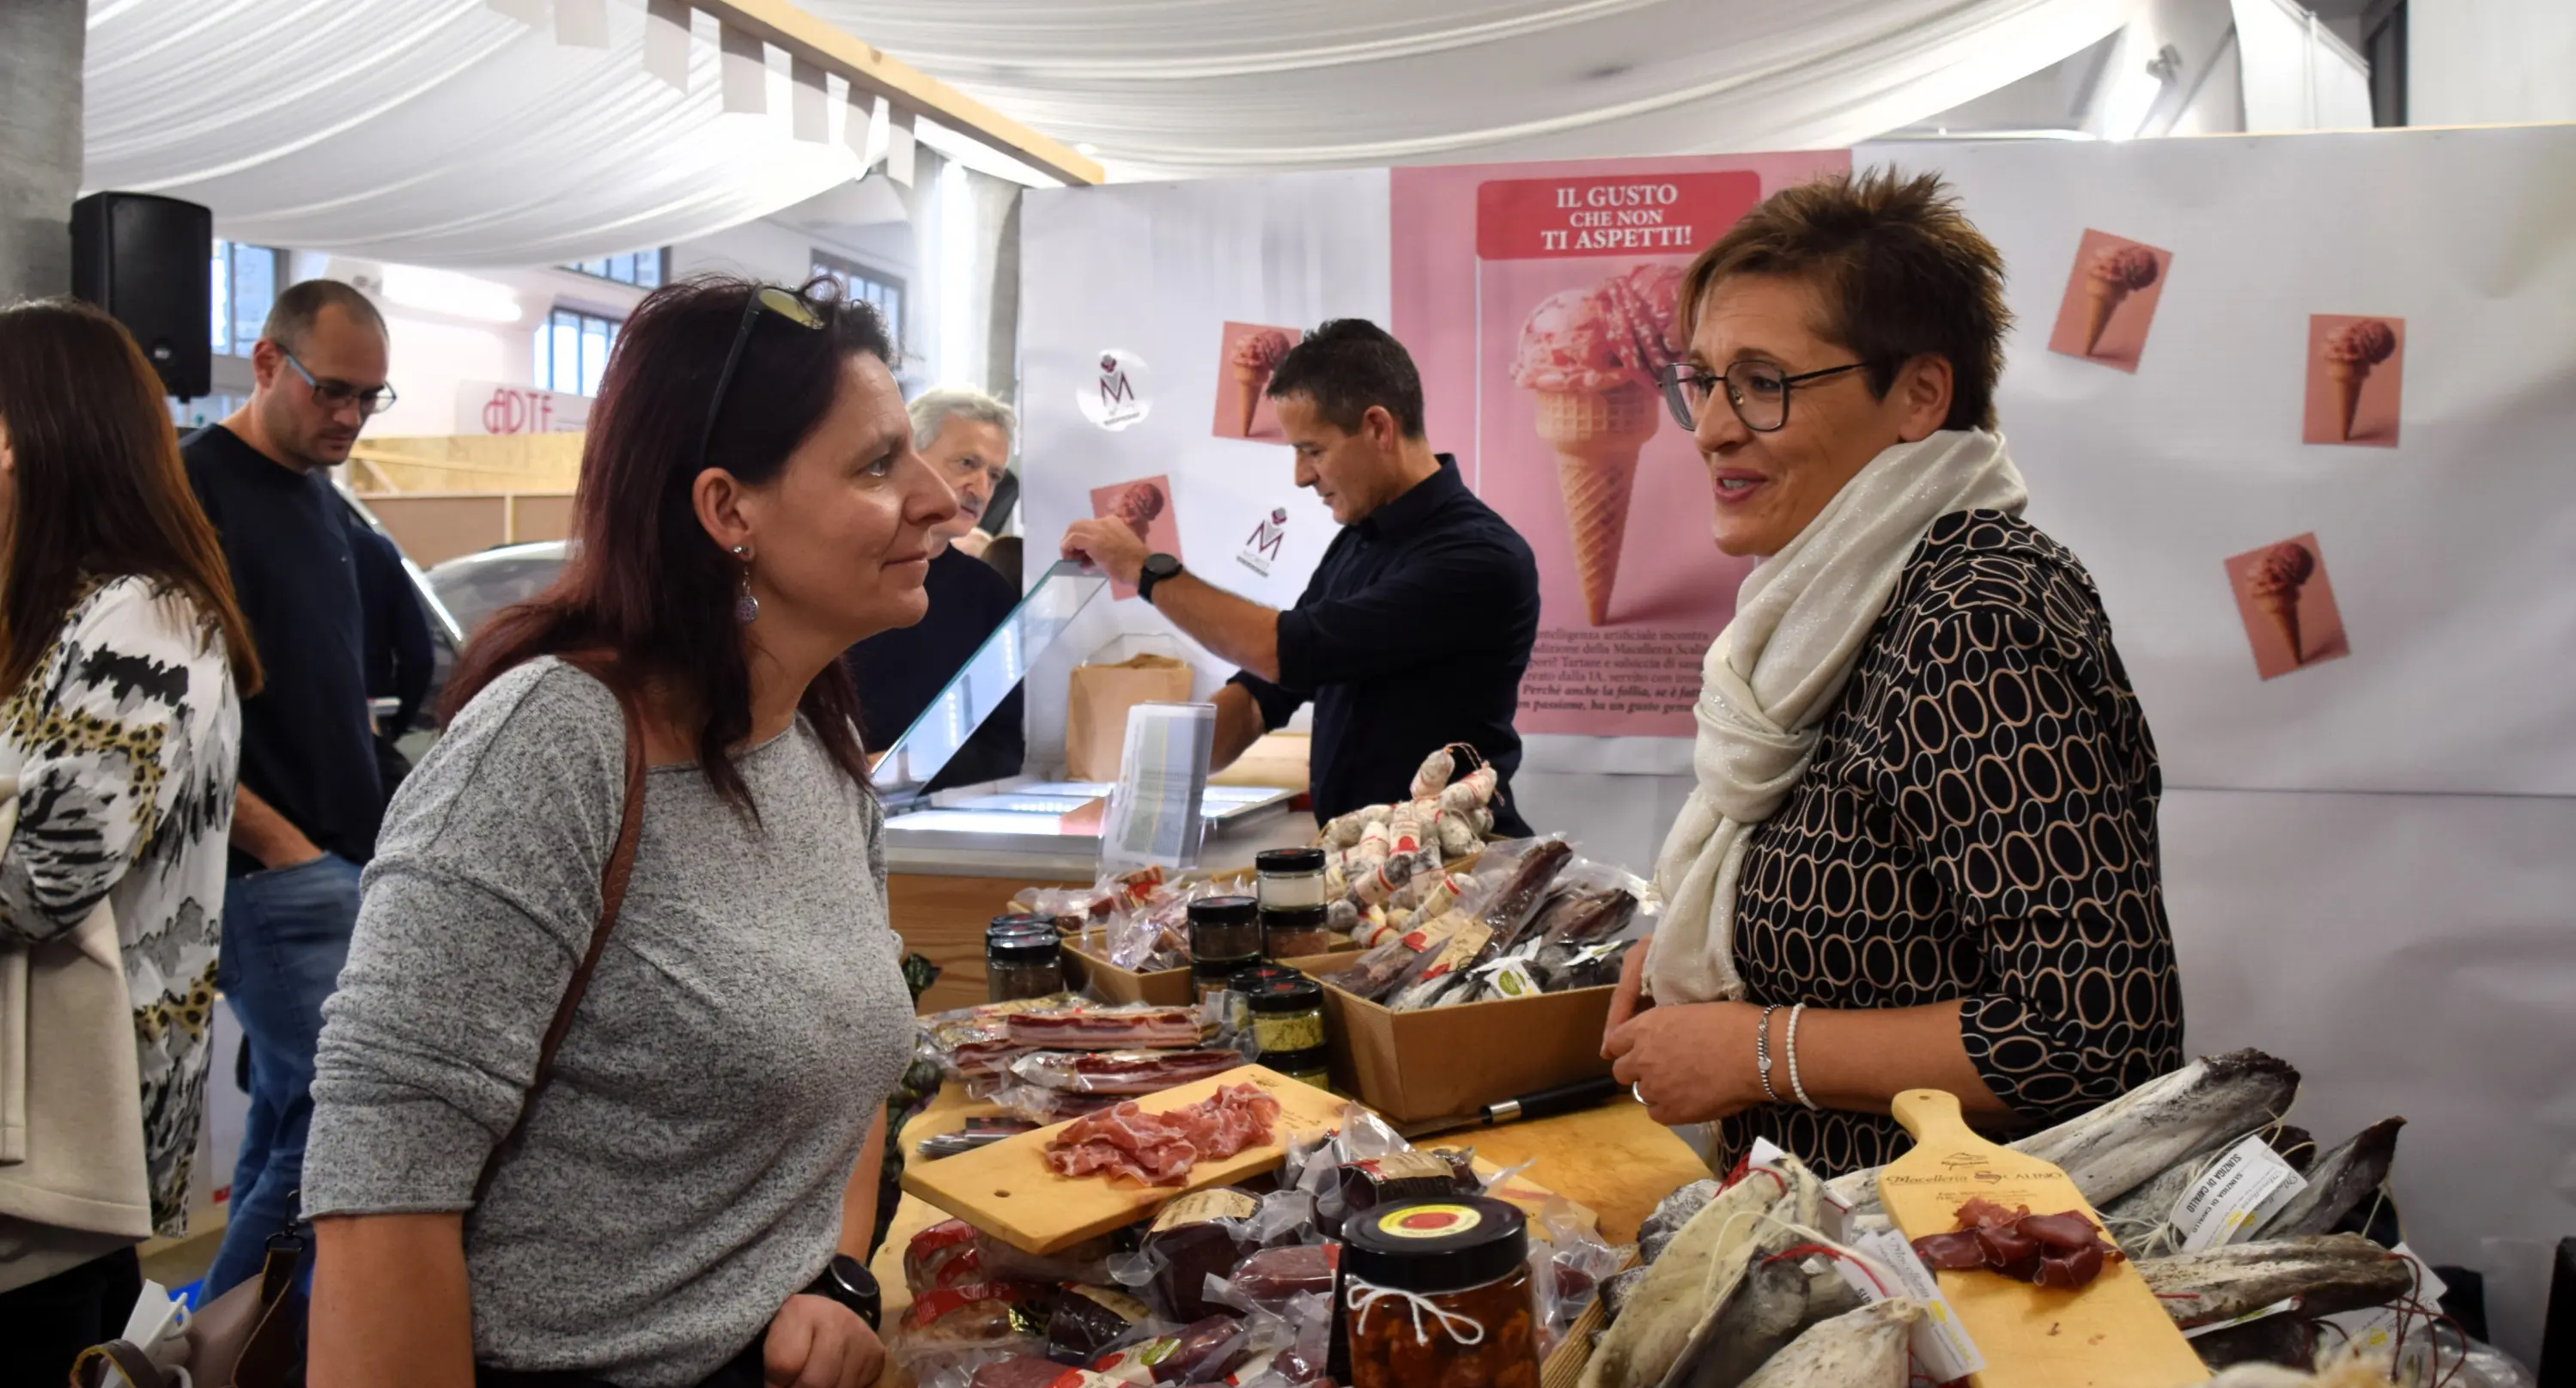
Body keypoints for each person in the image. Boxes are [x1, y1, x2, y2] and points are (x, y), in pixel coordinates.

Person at [302, 276, 945, 1388]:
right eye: (880, 463)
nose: (937, 496)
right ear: (728, 509)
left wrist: (835, 1270)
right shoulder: (552, 745)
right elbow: (380, 1206)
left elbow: (861, 1042)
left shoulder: (815, 749)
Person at [1602, 169, 2183, 1177]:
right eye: (1702, 380)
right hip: (1840, 1244)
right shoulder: (1833, 604)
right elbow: (1872, 912)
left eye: (1763, 381)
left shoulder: (1976, 618)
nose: (1712, 428)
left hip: (1958, 1271)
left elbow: (2093, 1032)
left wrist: (1755, 1049)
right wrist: (1700, 952)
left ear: (1919, 395)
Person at [0, 299, 258, 1388]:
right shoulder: (43, 615)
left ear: (30, 435)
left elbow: (44, 873)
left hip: (59, 1148)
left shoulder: (146, 619)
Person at [1060, 320, 1540, 833]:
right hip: (1364, 868)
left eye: (1312, 450)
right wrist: (1141, 793)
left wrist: (1146, 570)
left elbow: (1284, 650)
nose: (1301, 476)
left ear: (1378, 428)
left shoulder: (1476, 556)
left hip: (1453, 867)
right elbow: (1260, 697)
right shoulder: (1359, 540)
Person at [180, 278, 392, 1295]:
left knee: (288, 1129)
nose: (348, 417)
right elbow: (175, 723)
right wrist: (281, 847)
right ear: (267, 363)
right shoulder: (193, 493)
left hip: (335, 862)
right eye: (332, 391)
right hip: (274, 876)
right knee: (332, 1141)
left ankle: (213, 1381)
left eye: (369, 399)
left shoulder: (319, 498)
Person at [842, 387, 1024, 789]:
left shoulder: (987, 595)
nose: (980, 488)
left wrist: (898, 769)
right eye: (967, 463)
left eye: (993, 475)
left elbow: (1002, 747)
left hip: (930, 821)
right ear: (909, 456)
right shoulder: (833, 569)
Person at [349, 512, 434, 797]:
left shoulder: (261, 545)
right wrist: (393, 722)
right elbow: (418, 656)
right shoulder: (373, 550)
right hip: (370, 719)